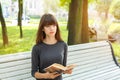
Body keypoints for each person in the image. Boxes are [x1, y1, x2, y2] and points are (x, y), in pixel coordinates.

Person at [31, 13, 72, 80]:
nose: (52, 28)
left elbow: (63, 67)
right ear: (42, 29)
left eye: (54, 25)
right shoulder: (37, 48)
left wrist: (66, 70)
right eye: (48, 26)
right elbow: (34, 72)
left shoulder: (63, 45)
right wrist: (46, 76)